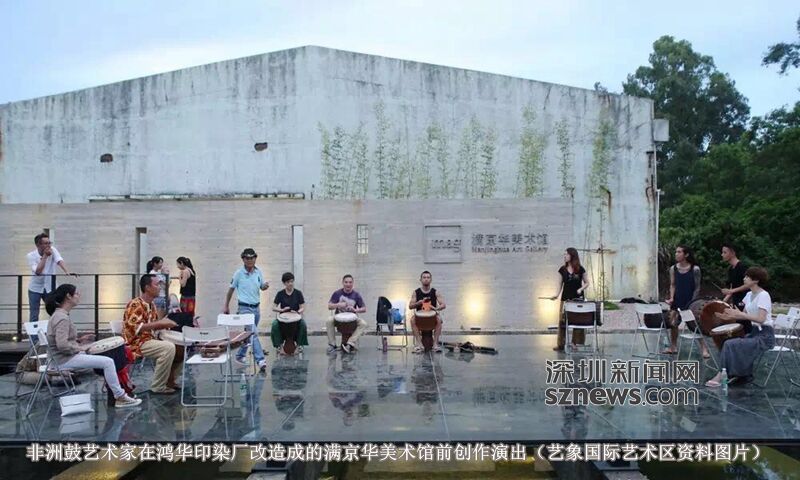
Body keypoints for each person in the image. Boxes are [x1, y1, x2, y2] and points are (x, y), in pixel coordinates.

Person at [46, 284, 141, 408]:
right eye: (76, 294)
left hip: (62, 358)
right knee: (108, 362)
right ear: (68, 296)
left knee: (108, 359)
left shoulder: (59, 315)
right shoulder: (62, 318)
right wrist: (80, 348)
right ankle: (120, 396)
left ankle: (117, 393)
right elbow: (62, 345)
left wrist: (80, 340)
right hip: (64, 360)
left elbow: (61, 340)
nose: (79, 296)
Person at [705, 267, 775, 387]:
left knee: (730, 344)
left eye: (747, 277)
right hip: (754, 333)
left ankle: (722, 374)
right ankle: (737, 374)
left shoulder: (764, 295)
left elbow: (761, 319)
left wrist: (740, 314)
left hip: (765, 336)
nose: (744, 278)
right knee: (726, 342)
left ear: (756, 280)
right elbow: (743, 315)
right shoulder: (749, 294)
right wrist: (728, 316)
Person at [123, 274, 182, 394]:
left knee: (181, 347)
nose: (160, 287)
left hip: (149, 340)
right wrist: (160, 324)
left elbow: (154, 326)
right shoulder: (135, 304)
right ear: (147, 287)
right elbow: (136, 328)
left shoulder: (152, 305)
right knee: (168, 347)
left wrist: (164, 325)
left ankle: (170, 380)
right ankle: (158, 386)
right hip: (136, 343)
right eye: (157, 284)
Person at [223, 248, 269, 372]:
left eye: (252, 258)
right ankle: (261, 360)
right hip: (244, 308)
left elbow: (261, 286)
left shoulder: (258, 272)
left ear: (255, 258)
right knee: (253, 333)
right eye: (247, 258)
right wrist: (226, 305)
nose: (250, 260)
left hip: (256, 308)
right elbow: (231, 290)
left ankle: (240, 355)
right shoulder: (238, 273)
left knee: (249, 334)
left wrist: (264, 286)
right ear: (243, 259)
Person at [664, 245, 708, 357]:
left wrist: (693, 302)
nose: (676, 254)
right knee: (674, 323)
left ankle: (704, 348)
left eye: (679, 252)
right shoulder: (673, 268)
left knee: (694, 325)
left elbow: (697, 287)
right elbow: (672, 284)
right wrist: (672, 297)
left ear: (686, 254)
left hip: (690, 300)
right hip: (677, 298)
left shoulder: (695, 269)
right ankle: (673, 346)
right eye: (676, 252)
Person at [26, 232, 76, 323]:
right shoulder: (31, 256)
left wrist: (66, 271)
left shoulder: (53, 250)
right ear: (38, 245)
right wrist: (45, 256)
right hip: (35, 288)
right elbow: (38, 272)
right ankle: (34, 332)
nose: (49, 245)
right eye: (46, 243)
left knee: (55, 310)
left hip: (50, 286)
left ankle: (56, 329)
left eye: (49, 243)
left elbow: (59, 260)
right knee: (34, 314)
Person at [551, 248, 590, 352]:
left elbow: (587, 282)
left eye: (566, 254)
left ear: (572, 255)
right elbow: (559, 284)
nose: (564, 256)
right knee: (562, 321)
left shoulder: (580, 269)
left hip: (577, 299)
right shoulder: (562, 269)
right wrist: (556, 295)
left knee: (578, 321)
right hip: (565, 299)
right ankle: (561, 344)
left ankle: (574, 343)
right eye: (564, 254)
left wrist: (581, 289)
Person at [326, 274, 368, 354]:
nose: (348, 284)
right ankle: (332, 345)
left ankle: (350, 343)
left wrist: (355, 310)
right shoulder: (337, 293)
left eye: (350, 282)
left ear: (353, 283)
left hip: (352, 320)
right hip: (338, 319)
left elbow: (364, 308)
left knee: (363, 323)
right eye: (346, 282)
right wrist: (338, 305)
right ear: (343, 283)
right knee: (329, 320)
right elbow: (329, 306)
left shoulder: (356, 295)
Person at [270, 272, 310, 355]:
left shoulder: (298, 293)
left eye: (292, 281)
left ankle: (299, 346)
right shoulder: (280, 294)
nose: (290, 284)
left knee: (303, 324)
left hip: (295, 317)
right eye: (288, 282)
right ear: (284, 283)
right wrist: (282, 309)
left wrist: (298, 311)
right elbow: (273, 307)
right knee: (274, 325)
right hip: (283, 318)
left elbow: (302, 307)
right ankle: (280, 347)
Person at [408, 270, 447, 354]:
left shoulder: (435, 292)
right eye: (424, 277)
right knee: (412, 320)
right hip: (420, 318)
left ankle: (435, 345)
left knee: (439, 319)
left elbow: (443, 305)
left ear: (431, 279)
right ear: (421, 279)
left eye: (428, 277)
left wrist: (436, 308)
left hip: (432, 318)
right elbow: (410, 306)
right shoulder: (416, 292)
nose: (426, 279)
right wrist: (418, 303)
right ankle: (419, 345)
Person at [721, 243, 749, 308]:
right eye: (722, 252)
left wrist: (731, 291)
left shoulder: (742, 267)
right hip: (735, 299)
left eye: (725, 252)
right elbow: (733, 286)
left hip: (744, 300)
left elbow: (748, 285)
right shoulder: (730, 269)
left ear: (733, 253)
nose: (722, 255)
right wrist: (725, 299)